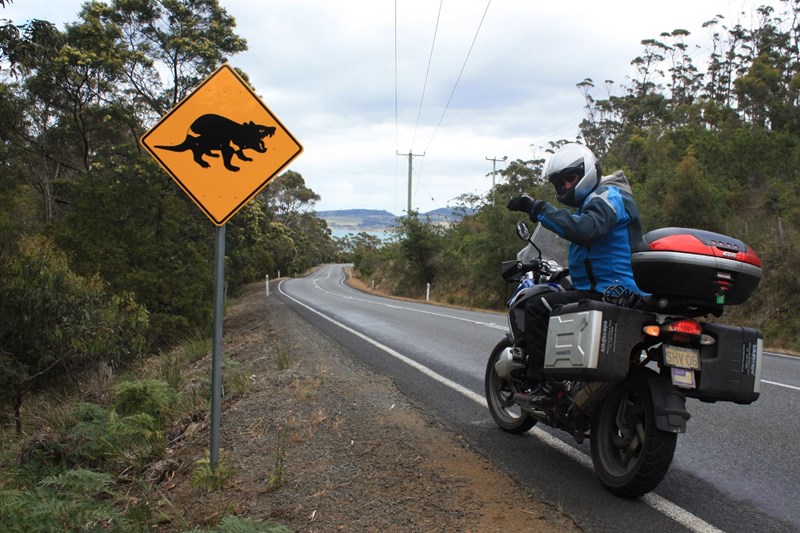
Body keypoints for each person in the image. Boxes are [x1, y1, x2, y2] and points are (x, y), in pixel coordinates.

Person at [506, 142, 647, 407]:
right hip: (619, 290)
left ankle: (543, 387)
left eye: (570, 178)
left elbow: (585, 230)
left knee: (538, 307)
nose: (567, 187)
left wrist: (537, 209)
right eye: (560, 183)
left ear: (588, 170)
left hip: (613, 292)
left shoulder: (607, 196)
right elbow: (599, 251)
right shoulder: (599, 201)